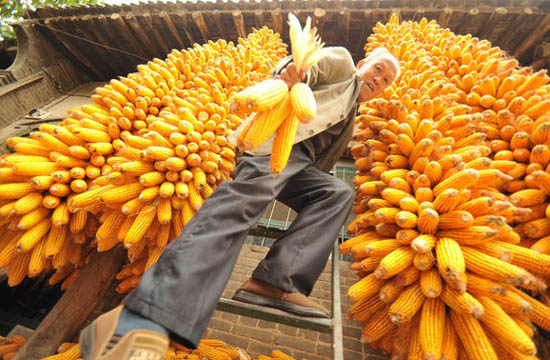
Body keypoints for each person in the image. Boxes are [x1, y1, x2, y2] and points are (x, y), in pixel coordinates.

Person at [79, 46, 400, 360]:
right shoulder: (343, 64)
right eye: (378, 69)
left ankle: (275, 281)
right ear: (362, 64)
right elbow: (307, 67)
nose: (379, 79)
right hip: (277, 142)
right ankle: (145, 315)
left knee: (336, 193)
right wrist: (292, 72)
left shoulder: (351, 114)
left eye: (387, 80)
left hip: (299, 165)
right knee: (236, 210)